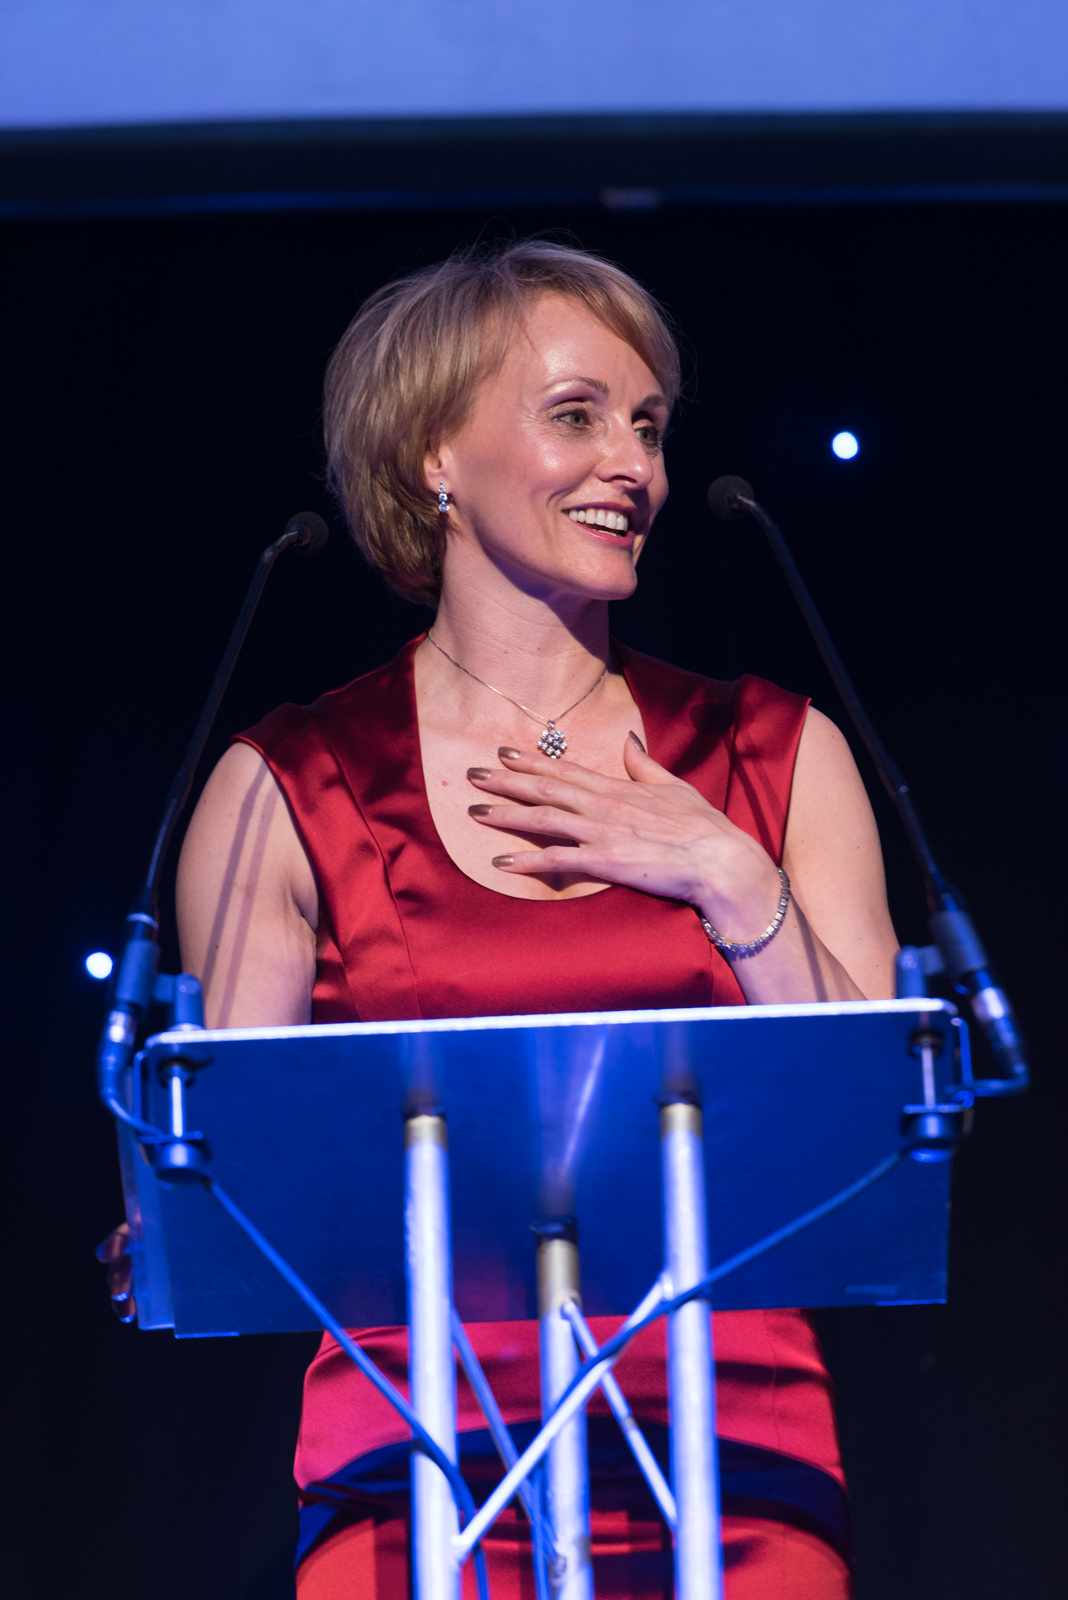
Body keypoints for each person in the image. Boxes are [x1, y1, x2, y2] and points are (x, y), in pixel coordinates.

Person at [122, 240, 900, 1596]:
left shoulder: (776, 754)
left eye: (650, 426)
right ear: (435, 451)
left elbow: (876, 1140)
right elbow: (242, 1186)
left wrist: (731, 878)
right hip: (415, 1465)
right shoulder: (288, 785)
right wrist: (174, 1214)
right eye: (577, 414)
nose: (635, 467)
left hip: (734, 1459)